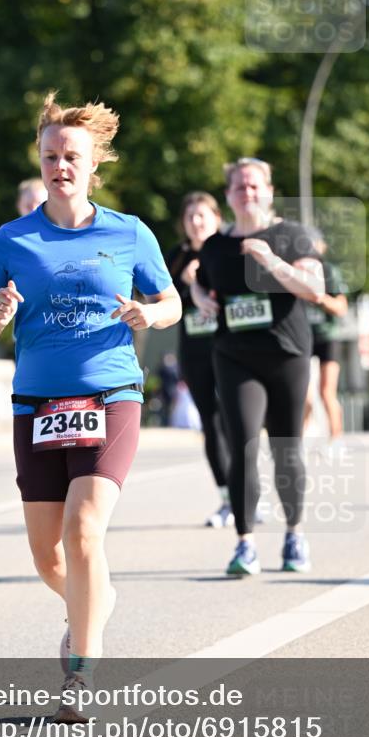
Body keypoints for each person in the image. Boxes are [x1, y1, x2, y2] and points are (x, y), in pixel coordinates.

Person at [0, 91, 181, 720]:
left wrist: (150, 311)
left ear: (94, 164)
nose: (60, 165)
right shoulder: (11, 241)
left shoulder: (128, 232)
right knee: (47, 555)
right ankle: (97, 599)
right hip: (36, 402)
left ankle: (80, 673)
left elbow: (170, 302)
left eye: (72, 156)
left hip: (110, 394)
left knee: (83, 531)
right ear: (40, 160)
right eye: (50, 155)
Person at [191, 158, 324, 576]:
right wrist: (198, 295)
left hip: (285, 354)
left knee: (286, 449)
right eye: (239, 187)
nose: (247, 193)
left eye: (254, 186)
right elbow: (198, 275)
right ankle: (245, 544)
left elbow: (315, 289)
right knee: (243, 446)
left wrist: (270, 261)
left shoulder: (290, 235)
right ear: (228, 195)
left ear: (268, 191)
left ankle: (295, 535)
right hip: (234, 356)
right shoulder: (215, 245)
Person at [166, 192, 233, 527]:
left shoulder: (229, 248)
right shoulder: (177, 257)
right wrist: (185, 282)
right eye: (190, 216)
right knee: (210, 424)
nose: (195, 222)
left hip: (230, 348)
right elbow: (161, 300)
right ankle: (226, 498)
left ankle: (247, 493)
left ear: (216, 218)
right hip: (194, 350)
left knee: (235, 422)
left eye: (202, 216)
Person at [303, 229, 349, 451]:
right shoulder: (293, 269)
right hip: (302, 338)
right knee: (302, 392)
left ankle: (336, 438)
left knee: (326, 391)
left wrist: (320, 298)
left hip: (328, 338)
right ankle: (298, 442)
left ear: (322, 246)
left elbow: (341, 307)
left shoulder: (329, 271)